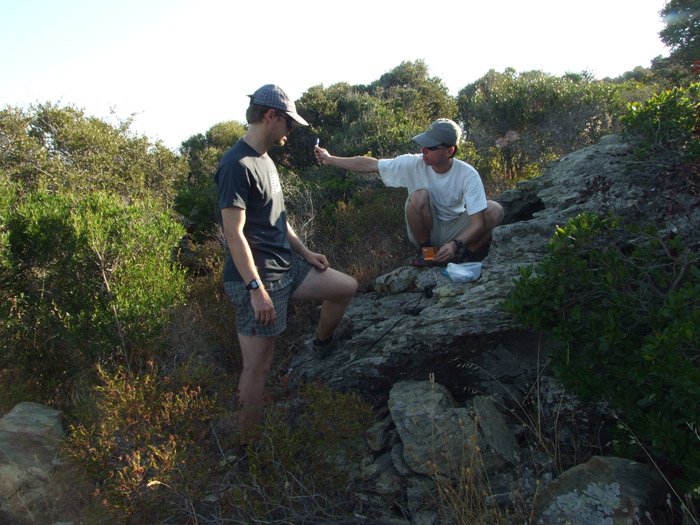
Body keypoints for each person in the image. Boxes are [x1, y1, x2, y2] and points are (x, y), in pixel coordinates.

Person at [216, 84, 358, 442]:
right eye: (288, 123)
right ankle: (244, 446)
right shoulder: (236, 164)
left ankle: (322, 346)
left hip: (287, 269)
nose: (290, 131)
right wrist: (256, 289)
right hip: (256, 279)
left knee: (345, 287)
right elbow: (234, 234)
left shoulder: (265, 160)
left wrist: (305, 253)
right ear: (270, 116)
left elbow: (279, 219)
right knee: (258, 368)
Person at [314, 118, 504, 266]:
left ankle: (467, 258)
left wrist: (456, 244)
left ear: (449, 151)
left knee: (495, 210)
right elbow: (372, 164)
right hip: (426, 230)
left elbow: (478, 223)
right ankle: (426, 254)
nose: (423, 150)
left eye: (430, 146)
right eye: (423, 144)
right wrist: (331, 159)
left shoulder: (467, 174)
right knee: (419, 195)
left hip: (454, 228)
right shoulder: (414, 163)